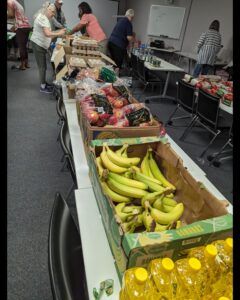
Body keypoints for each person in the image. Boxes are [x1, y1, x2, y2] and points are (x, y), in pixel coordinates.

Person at [30, 2, 66, 94]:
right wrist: (59, 33)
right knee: (42, 67)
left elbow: (48, 33)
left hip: (41, 44)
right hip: (38, 45)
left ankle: (44, 83)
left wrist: (59, 31)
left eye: (54, 12)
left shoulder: (45, 17)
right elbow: (48, 34)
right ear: (47, 9)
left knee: (44, 66)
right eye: (52, 12)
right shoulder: (42, 18)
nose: (53, 14)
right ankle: (42, 87)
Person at [7, 0, 32, 70]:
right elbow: (18, 16)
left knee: (21, 47)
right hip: (27, 26)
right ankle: (27, 63)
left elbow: (11, 15)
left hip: (21, 27)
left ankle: (23, 65)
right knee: (24, 46)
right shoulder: (16, 2)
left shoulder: (9, 2)